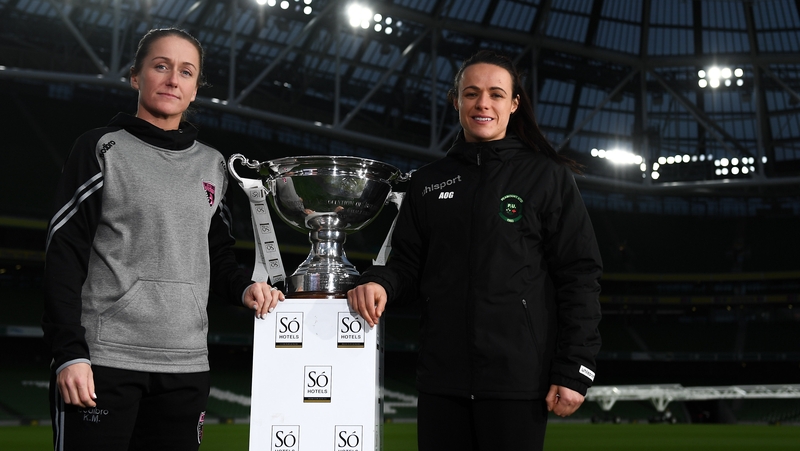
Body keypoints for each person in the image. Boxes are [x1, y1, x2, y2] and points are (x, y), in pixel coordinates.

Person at [347, 50, 602, 450]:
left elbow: (580, 277)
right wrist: (379, 280)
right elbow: (409, 264)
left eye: (496, 94)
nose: (483, 103)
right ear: (456, 101)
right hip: (441, 380)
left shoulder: (547, 178)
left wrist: (575, 369)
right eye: (471, 93)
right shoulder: (428, 182)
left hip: (517, 381)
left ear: (513, 104)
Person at [42, 28, 283, 451]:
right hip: (104, 363)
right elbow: (64, 255)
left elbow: (217, 256)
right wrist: (70, 353)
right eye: (161, 66)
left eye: (186, 72)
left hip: (186, 367)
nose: (173, 78)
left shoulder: (212, 165)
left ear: (194, 90)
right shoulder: (100, 148)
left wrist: (245, 287)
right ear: (136, 77)